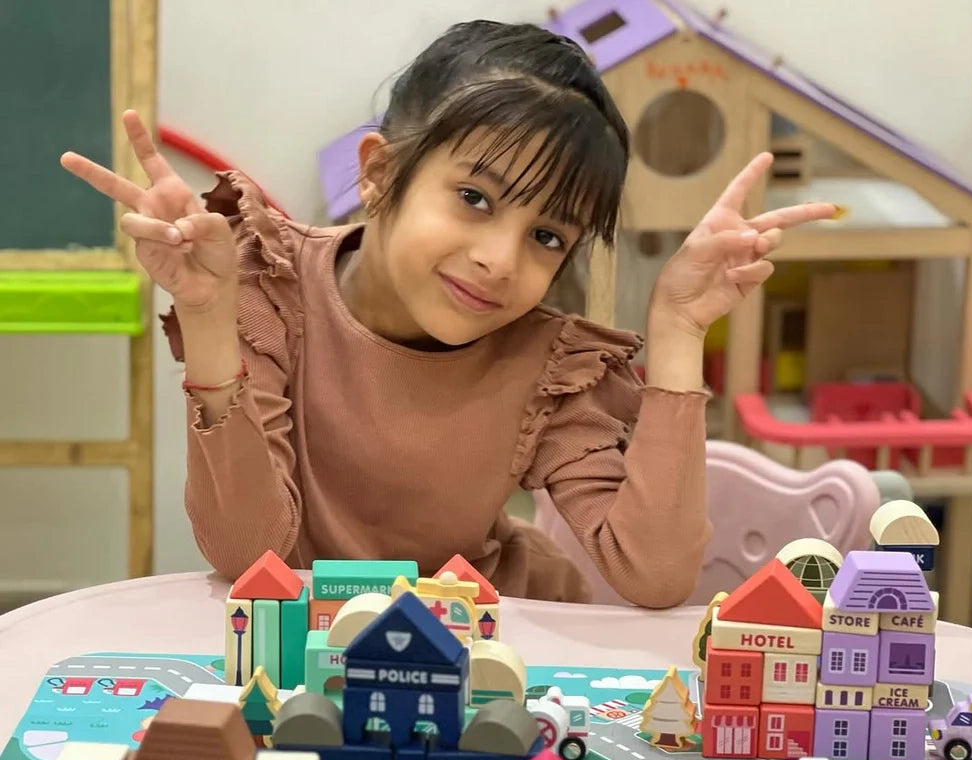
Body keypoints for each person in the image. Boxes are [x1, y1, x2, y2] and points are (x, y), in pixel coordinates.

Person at [62, 20, 836, 606]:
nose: (500, 259)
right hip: (299, 656)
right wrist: (207, 316)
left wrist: (679, 329)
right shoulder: (270, 284)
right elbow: (249, 555)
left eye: (546, 236)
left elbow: (656, 576)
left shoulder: (547, 365)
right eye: (474, 198)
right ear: (378, 173)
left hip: (495, 654)